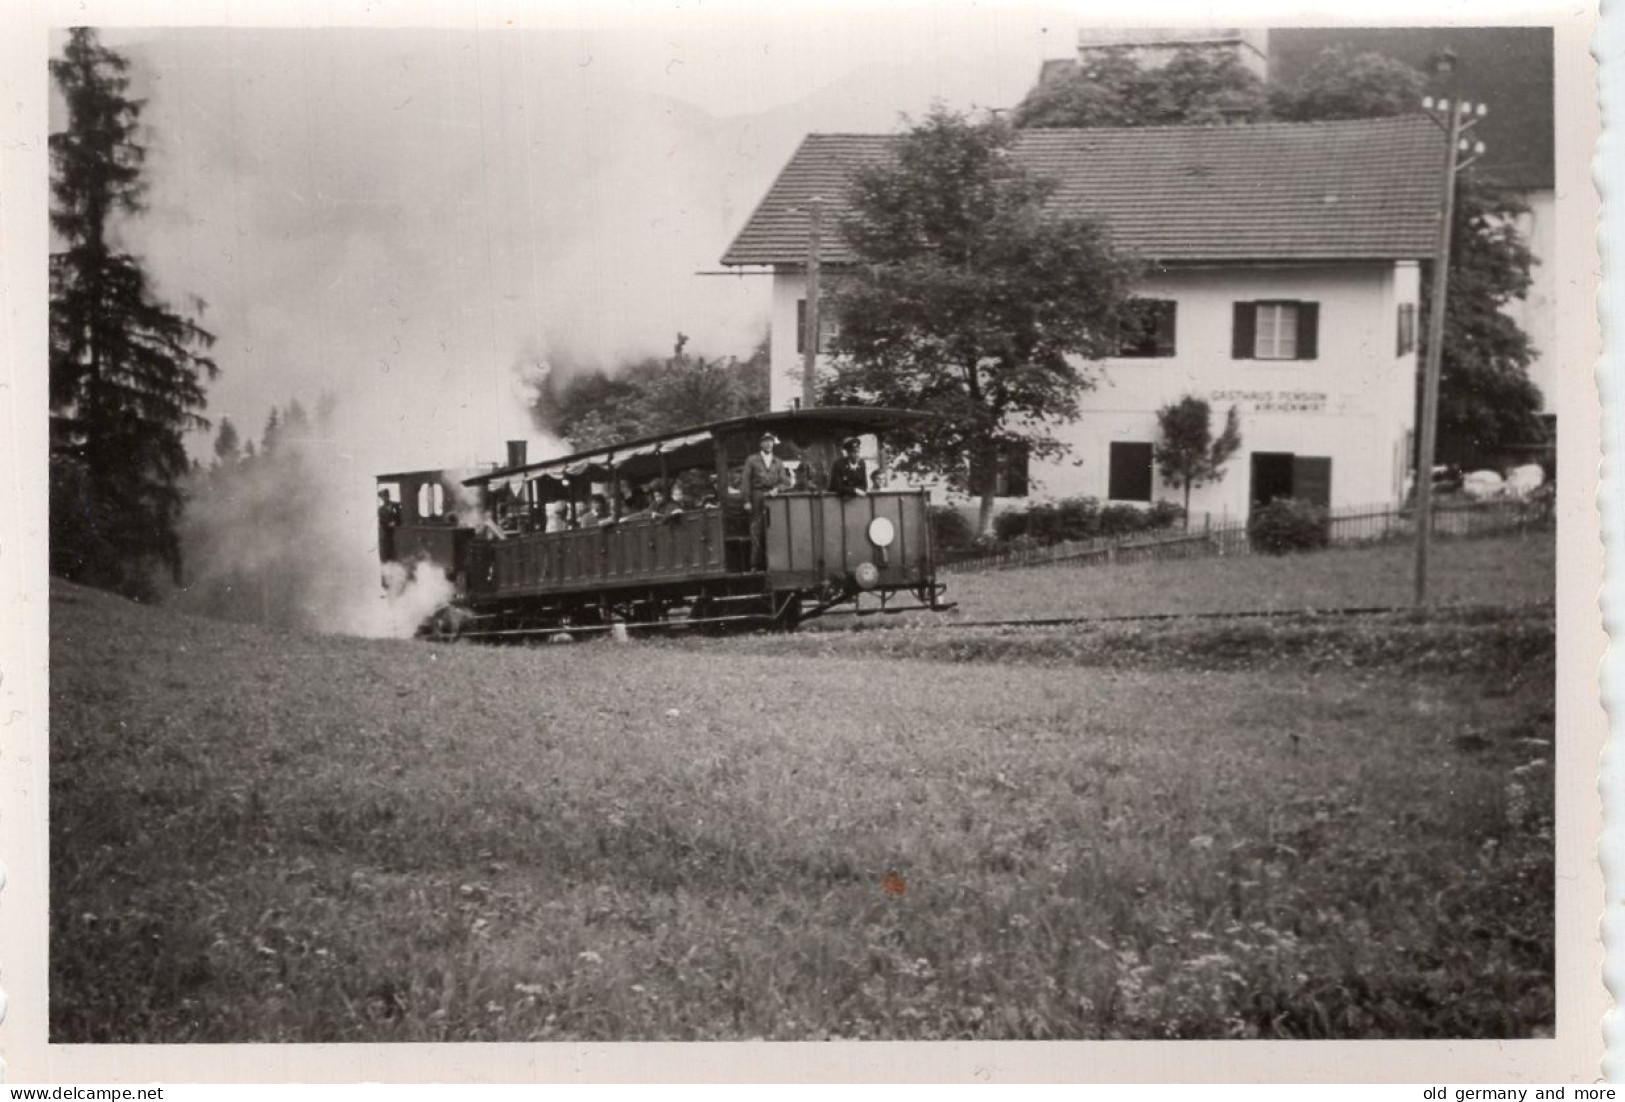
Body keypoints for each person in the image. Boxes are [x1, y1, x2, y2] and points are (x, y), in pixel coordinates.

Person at [741, 432, 789, 569]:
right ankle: (755, 564)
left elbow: (786, 482)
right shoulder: (752, 460)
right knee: (757, 528)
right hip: (757, 496)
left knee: (775, 528)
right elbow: (745, 481)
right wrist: (746, 500)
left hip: (774, 499)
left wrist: (777, 489)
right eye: (766, 441)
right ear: (761, 443)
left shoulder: (778, 461)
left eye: (771, 441)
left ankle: (775, 563)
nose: (769, 444)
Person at [377, 489, 402, 562]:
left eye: (386, 496)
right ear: (381, 498)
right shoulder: (380, 509)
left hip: (397, 530)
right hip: (387, 532)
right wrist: (388, 524)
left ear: (389, 496)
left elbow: (399, 516)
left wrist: (395, 522)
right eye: (383, 497)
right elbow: (381, 521)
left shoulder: (395, 506)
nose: (385, 498)